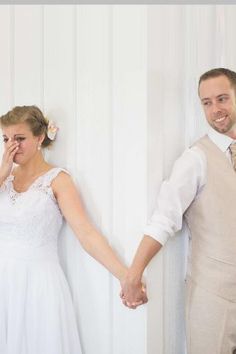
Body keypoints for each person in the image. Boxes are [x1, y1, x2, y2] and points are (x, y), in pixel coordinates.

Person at [120, 68, 236, 354]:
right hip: (215, 297)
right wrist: (134, 274)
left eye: (222, 99)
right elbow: (163, 220)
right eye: (206, 103)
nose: (215, 109)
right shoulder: (195, 159)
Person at [0, 105, 133, 354]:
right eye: (6, 139)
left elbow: (86, 233)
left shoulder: (58, 180)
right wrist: (2, 173)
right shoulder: (3, 178)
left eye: (20, 139)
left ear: (39, 137)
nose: (11, 147)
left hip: (38, 283)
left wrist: (125, 275)